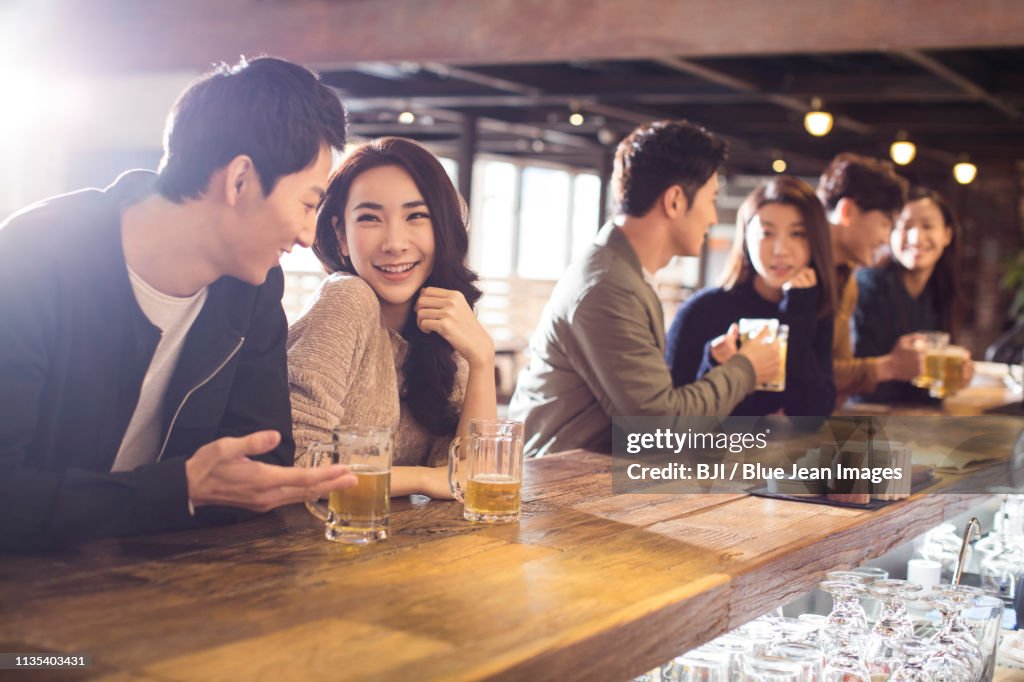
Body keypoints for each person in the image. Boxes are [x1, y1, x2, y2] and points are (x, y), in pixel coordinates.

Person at [0, 57, 356, 551]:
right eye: (308, 204)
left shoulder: (251, 289)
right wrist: (178, 490)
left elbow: (262, 465)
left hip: (155, 579)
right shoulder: (33, 255)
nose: (305, 235)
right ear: (239, 181)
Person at [508, 120, 780, 457]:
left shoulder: (622, 272)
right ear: (676, 201)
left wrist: (720, 367)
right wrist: (747, 369)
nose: (712, 217)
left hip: (592, 479)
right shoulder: (607, 286)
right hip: (557, 489)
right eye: (711, 200)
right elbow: (660, 430)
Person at [287, 137, 496, 498]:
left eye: (416, 216)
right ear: (341, 236)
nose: (395, 242)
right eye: (370, 218)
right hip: (301, 543)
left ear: (442, 227)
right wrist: (423, 479)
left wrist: (482, 359)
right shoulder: (347, 299)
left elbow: (475, 475)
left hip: (394, 545)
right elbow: (298, 464)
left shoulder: (442, 322)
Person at [666, 176, 836, 416]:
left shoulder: (813, 308)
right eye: (767, 233)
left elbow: (812, 413)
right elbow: (669, 419)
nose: (780, 250)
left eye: (798, 234)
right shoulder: (701, 310)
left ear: (816, 241)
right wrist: (715, 365)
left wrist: (798, 315)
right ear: (746, 239)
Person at [853, 187, 973, 402]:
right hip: (866, 421)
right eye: (905, 226)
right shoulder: (868, 286)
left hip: (919, 423)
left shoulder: (941, 290)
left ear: (947, 234)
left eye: (927, 226)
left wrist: (956, 376)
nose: (916, 237)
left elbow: (930, 386)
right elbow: (852, 379)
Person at [816, 153, 915, 408]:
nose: (887, 239)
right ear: (847, 211)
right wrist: (890, 366)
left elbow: (834, 375)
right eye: (885, 224)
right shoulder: (797, 273)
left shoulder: (846, 279)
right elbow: (799, 376)